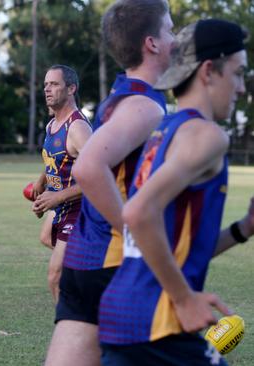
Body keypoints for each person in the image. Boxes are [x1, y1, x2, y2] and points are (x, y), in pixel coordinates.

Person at [99, 19, 251, 366]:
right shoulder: (208, 136)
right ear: (209, 70)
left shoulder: (164, 130)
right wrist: (184, 299)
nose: (241, 88)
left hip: (125, 315)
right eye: (239, 73)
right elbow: (136, 213)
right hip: (159, 321)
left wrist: (244, 228)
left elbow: (172, 248)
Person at [44, 1, 175, 365]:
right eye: (171, 30)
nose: (175, 39)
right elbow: (88, 168)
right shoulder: (144, 105)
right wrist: (133, 233)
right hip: (114, 263)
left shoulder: (120, 95)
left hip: (87, 259)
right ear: (152, 43)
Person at [30, 65, 92, 302]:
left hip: (79, 208)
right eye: (46, 84)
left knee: (55, 276)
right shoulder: (52, 124)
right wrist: (42, 181)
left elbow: (99, 174)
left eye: (54, 84)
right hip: (60, 206)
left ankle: (69, 327)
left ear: (71, 88)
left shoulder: (77, 128)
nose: (47, 89)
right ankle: (88, 275)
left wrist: (57, 197)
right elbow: (54, 159)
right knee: (46, 238)